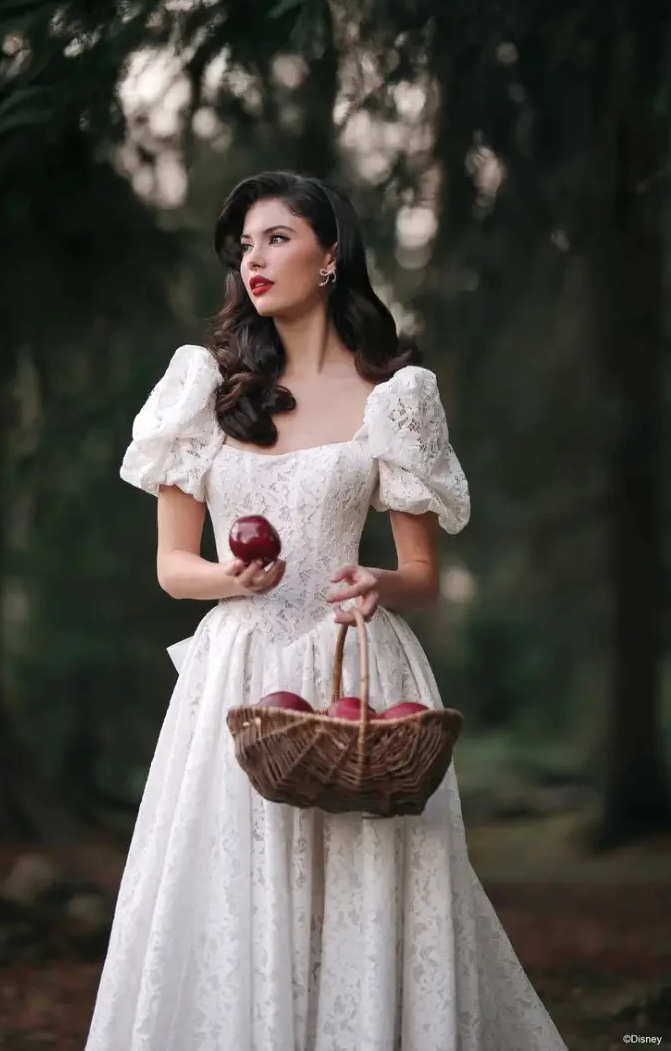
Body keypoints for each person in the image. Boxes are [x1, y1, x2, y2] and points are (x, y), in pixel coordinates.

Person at [85, 170, 568, 1051]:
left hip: (356, 671)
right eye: (243, 246)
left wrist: (380, 582)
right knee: (233, 889)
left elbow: (420, 570)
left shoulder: (396, 397)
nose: (253, 260)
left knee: (365, 884)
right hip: (236, 680)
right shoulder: (208, 390)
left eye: (275, 238)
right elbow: (170, 568)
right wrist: (230, 578)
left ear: (330, 255)